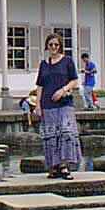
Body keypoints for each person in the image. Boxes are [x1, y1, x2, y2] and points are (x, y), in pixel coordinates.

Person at [35, 33, 82, 180]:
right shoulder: (44, 64)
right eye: (51, 45)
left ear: (60, 46)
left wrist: (63, 90)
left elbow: (74, 80)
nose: (54, 47)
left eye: (56, 44)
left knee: (66, 133)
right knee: (51, 136)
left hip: (64, 103)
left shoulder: (67, 61)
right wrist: (37, 105)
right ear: (47, 46)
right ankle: (54, 167)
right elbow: (40, 86)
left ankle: (64, 166)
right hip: (47, 104)